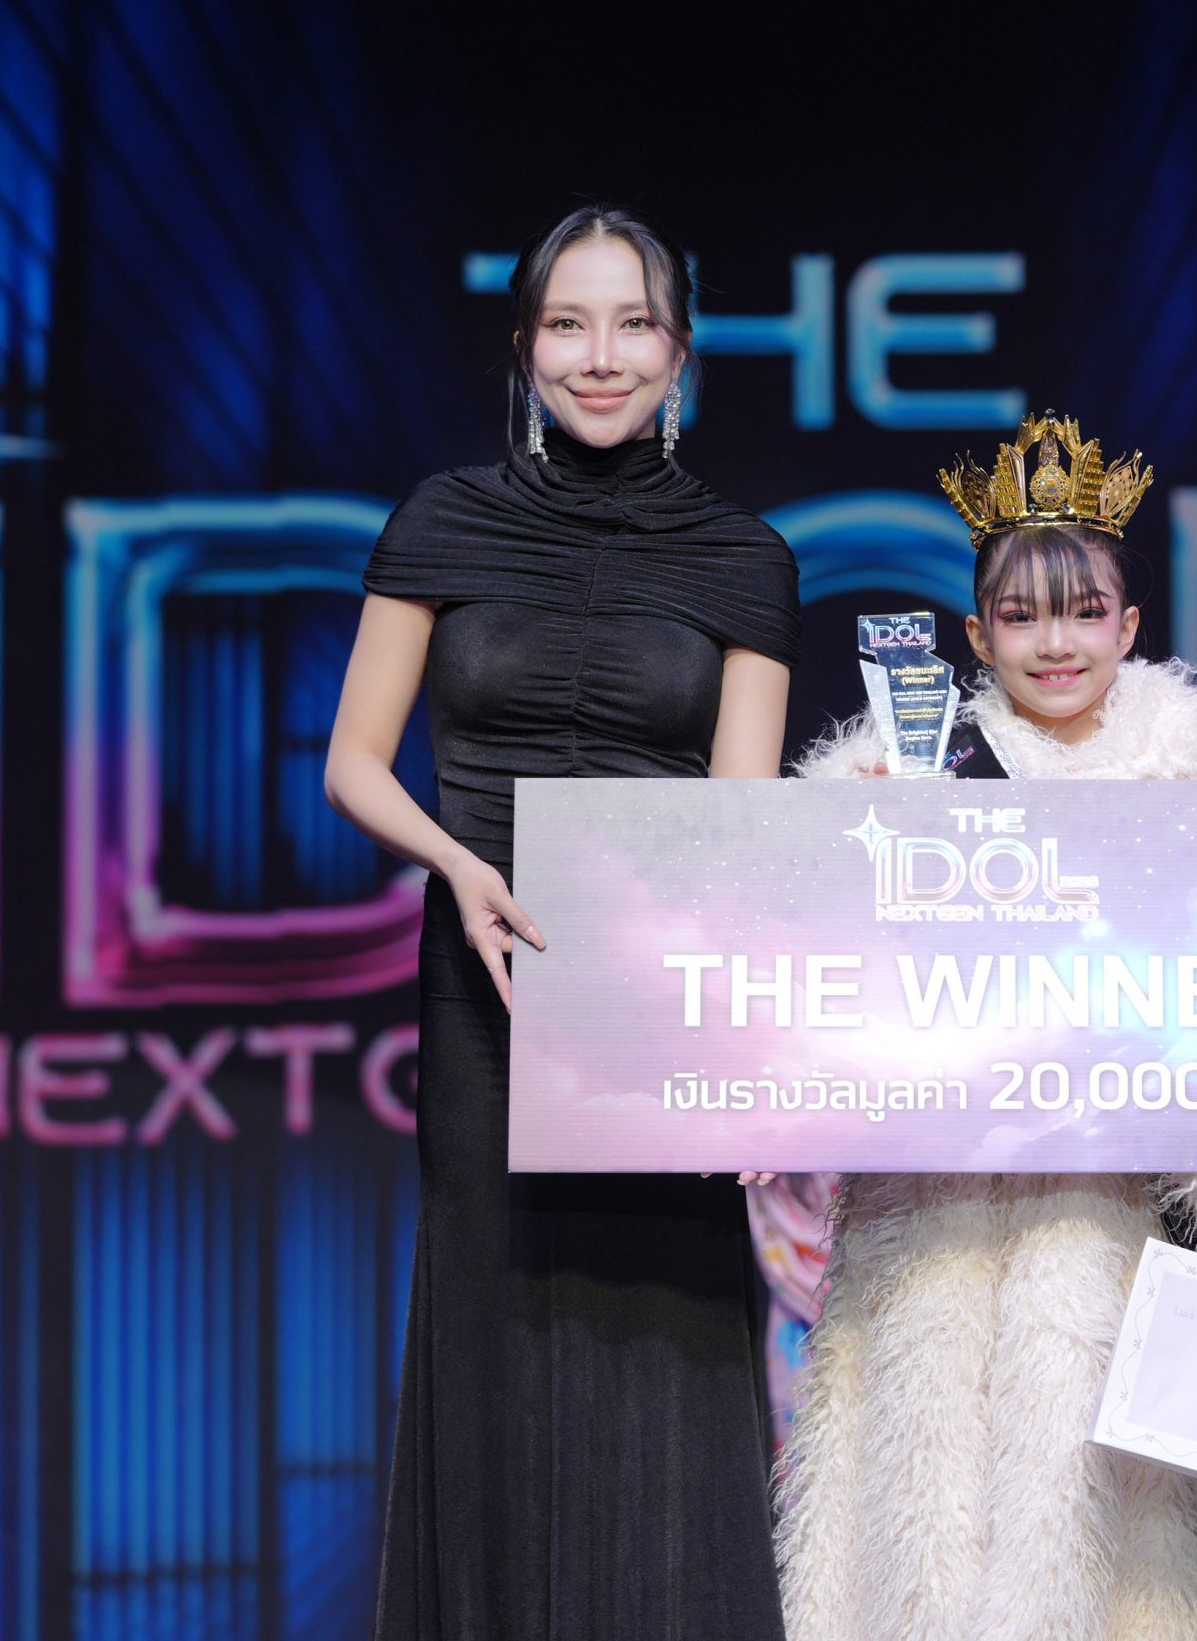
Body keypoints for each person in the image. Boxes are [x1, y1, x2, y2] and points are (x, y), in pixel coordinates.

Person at [324, 206, 801, 1640]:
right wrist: (456, 863)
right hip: (483, 988)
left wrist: (724, 1030)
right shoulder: (441, 520)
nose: (602, 356)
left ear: (680, 352)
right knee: (495, 1330)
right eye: (569, 324)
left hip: (656, 1004)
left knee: (666, 1344)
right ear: (526, 346)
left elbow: (742, 825)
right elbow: (354, 762)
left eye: (634, 324)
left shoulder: (743, 557)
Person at [775, 414, 1197, 1641]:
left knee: (1095, 1551)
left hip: (1104, 1226)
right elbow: (813, 984)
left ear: (1129, 626)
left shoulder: (1190, 785)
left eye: (1084, 613)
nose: (1055, 644)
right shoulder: (906, 770)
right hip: (927, 1231)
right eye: (1022, 617)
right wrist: (856, 843)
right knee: (923, 1543)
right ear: (976, 635)